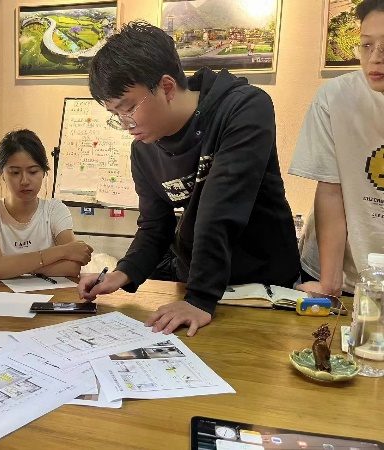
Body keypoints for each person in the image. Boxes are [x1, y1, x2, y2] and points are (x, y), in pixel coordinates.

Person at [77, 21, 300, 336]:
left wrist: (199, 297)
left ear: (167, 87)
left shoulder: (244, 107)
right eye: (115, 116)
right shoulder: (144, 149)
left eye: (128, 109)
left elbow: (219, 211)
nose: (125, 125)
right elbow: (155, 226)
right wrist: (124, 272)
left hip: (263, 285)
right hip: (196, 287)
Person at [289, 0, 384, 296]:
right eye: (366, 45)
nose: (375, 58)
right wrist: (330, 284)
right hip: (340, 273)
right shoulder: (336, 98)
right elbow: (331, 191)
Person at [0, 129, 93, 280]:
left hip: (50, 293)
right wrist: (62, 252)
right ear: (1, 174)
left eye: (33, 172)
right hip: (1, 293)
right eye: (15, 173)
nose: (24, 181)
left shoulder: (55, 210)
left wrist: (11, 268)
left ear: (44, 172)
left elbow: (72, 267)